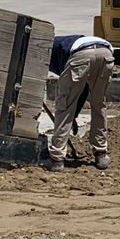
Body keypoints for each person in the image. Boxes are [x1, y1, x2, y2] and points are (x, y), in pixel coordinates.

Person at [46, 32, 113, 171]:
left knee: (64, 106)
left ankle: (57, 158)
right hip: (105, 52)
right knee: (98, 104)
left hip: (81, 54)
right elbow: (83, 89)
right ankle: (101, 154)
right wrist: (75, 115)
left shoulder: (49, 50)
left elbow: (71, 97)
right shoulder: (63, 43)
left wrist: (71, 113)